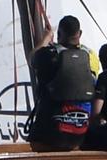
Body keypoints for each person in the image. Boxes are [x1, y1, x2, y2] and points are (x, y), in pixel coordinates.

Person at [26, 15, 97, 152]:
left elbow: (32, 59)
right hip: (80, 133)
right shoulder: (91, 56)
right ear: (80, 33)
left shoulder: (50, 54)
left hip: (53, 132)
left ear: (59, 34)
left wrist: (47, 37)